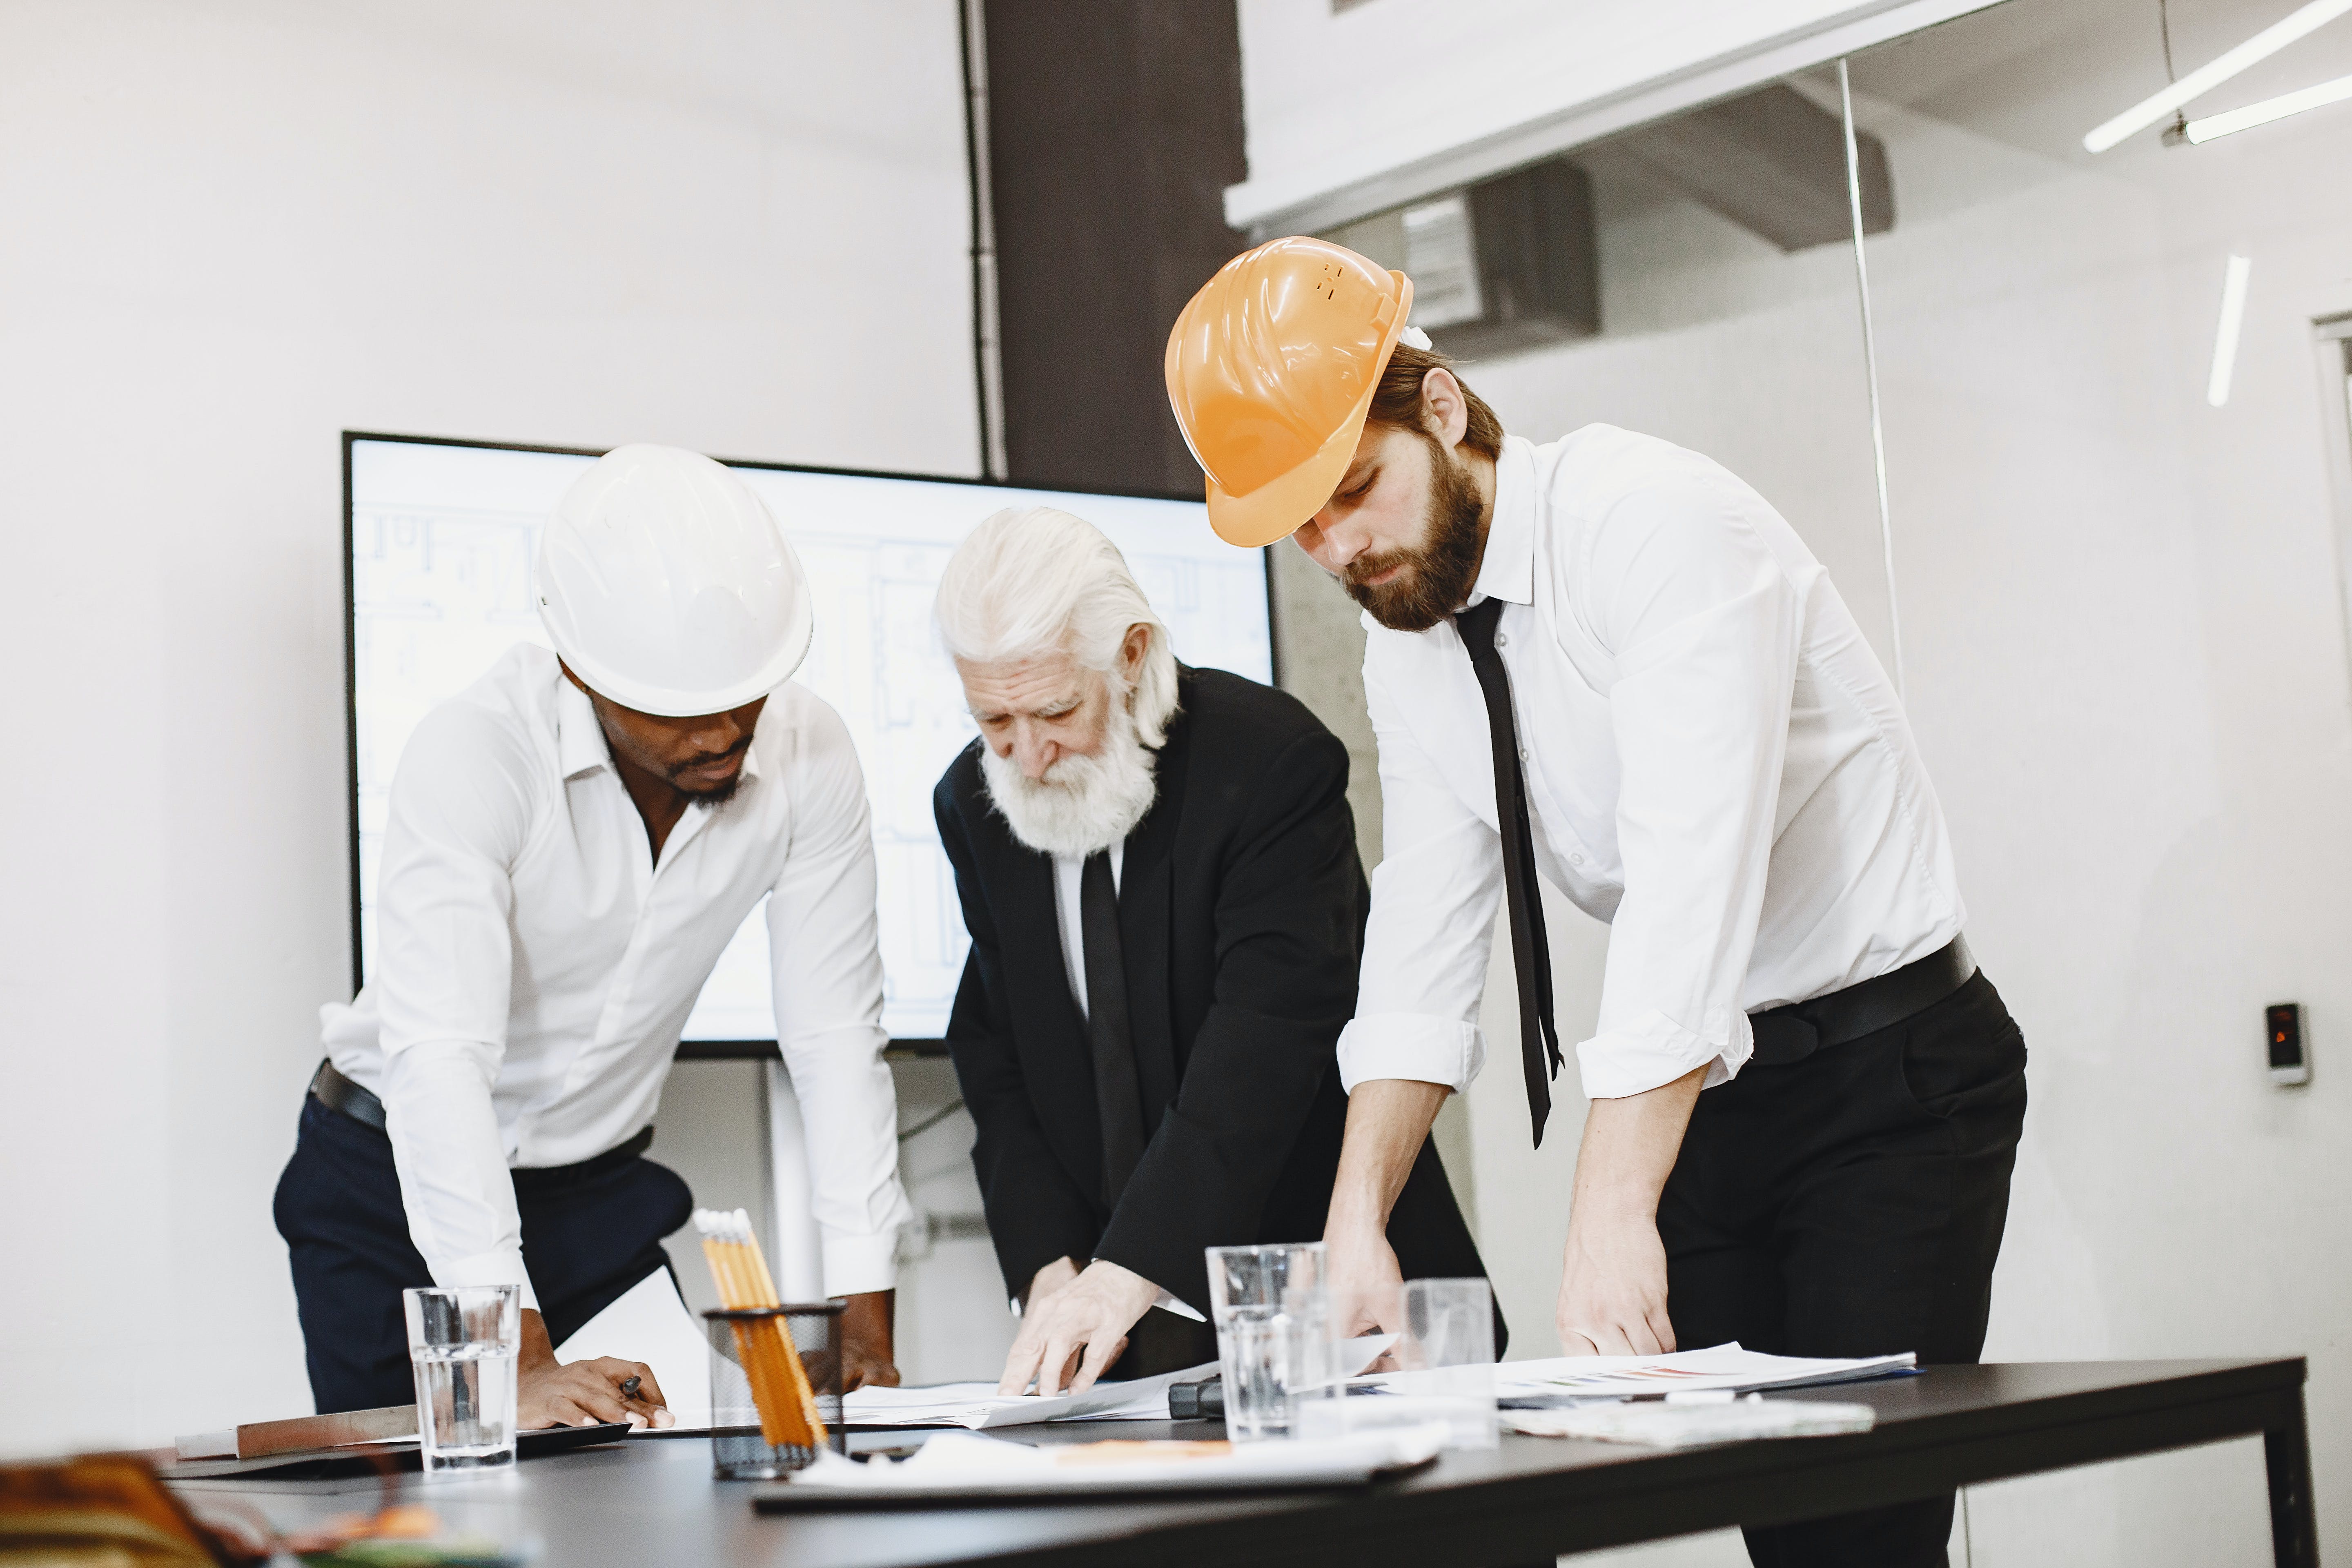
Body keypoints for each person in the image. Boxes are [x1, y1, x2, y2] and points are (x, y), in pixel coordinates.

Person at [1165, 238, 2027, 1566]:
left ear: (1441, 410)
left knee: (1858, 1544)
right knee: (1774, 1530)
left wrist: (1608, 1208)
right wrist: (1354, 1226)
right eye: (1307, 527)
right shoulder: (1413, 630)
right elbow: (1425, 937)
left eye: (1355, 492)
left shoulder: (1653, 521)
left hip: (1889, 1083)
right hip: (1710, 1104)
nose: (1342, 549)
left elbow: (1690, 882)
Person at [276, 445, 912, 1425]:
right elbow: (440, 1062)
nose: (719, 732)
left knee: (664, 1488)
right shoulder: (476, 754)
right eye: (677, 710)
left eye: (746, 696)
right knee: (430, 1520)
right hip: (390, 1188)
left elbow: (834, 1039)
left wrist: (866, 1328)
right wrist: (517, 1355)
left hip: (596, 1193)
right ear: (580, 671)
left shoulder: (809, 753)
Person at [931, 506, 1494, 1396]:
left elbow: (1267, 1044)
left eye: (1054, 711)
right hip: (1120, 1338)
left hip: (1333, 1299)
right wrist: (1050, 1269)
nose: (1028, 757)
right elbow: (999, 1051)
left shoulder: (1269, 761)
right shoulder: (974, 802)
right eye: (993, 720)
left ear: (1130, 653)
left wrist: (1131, 1269)